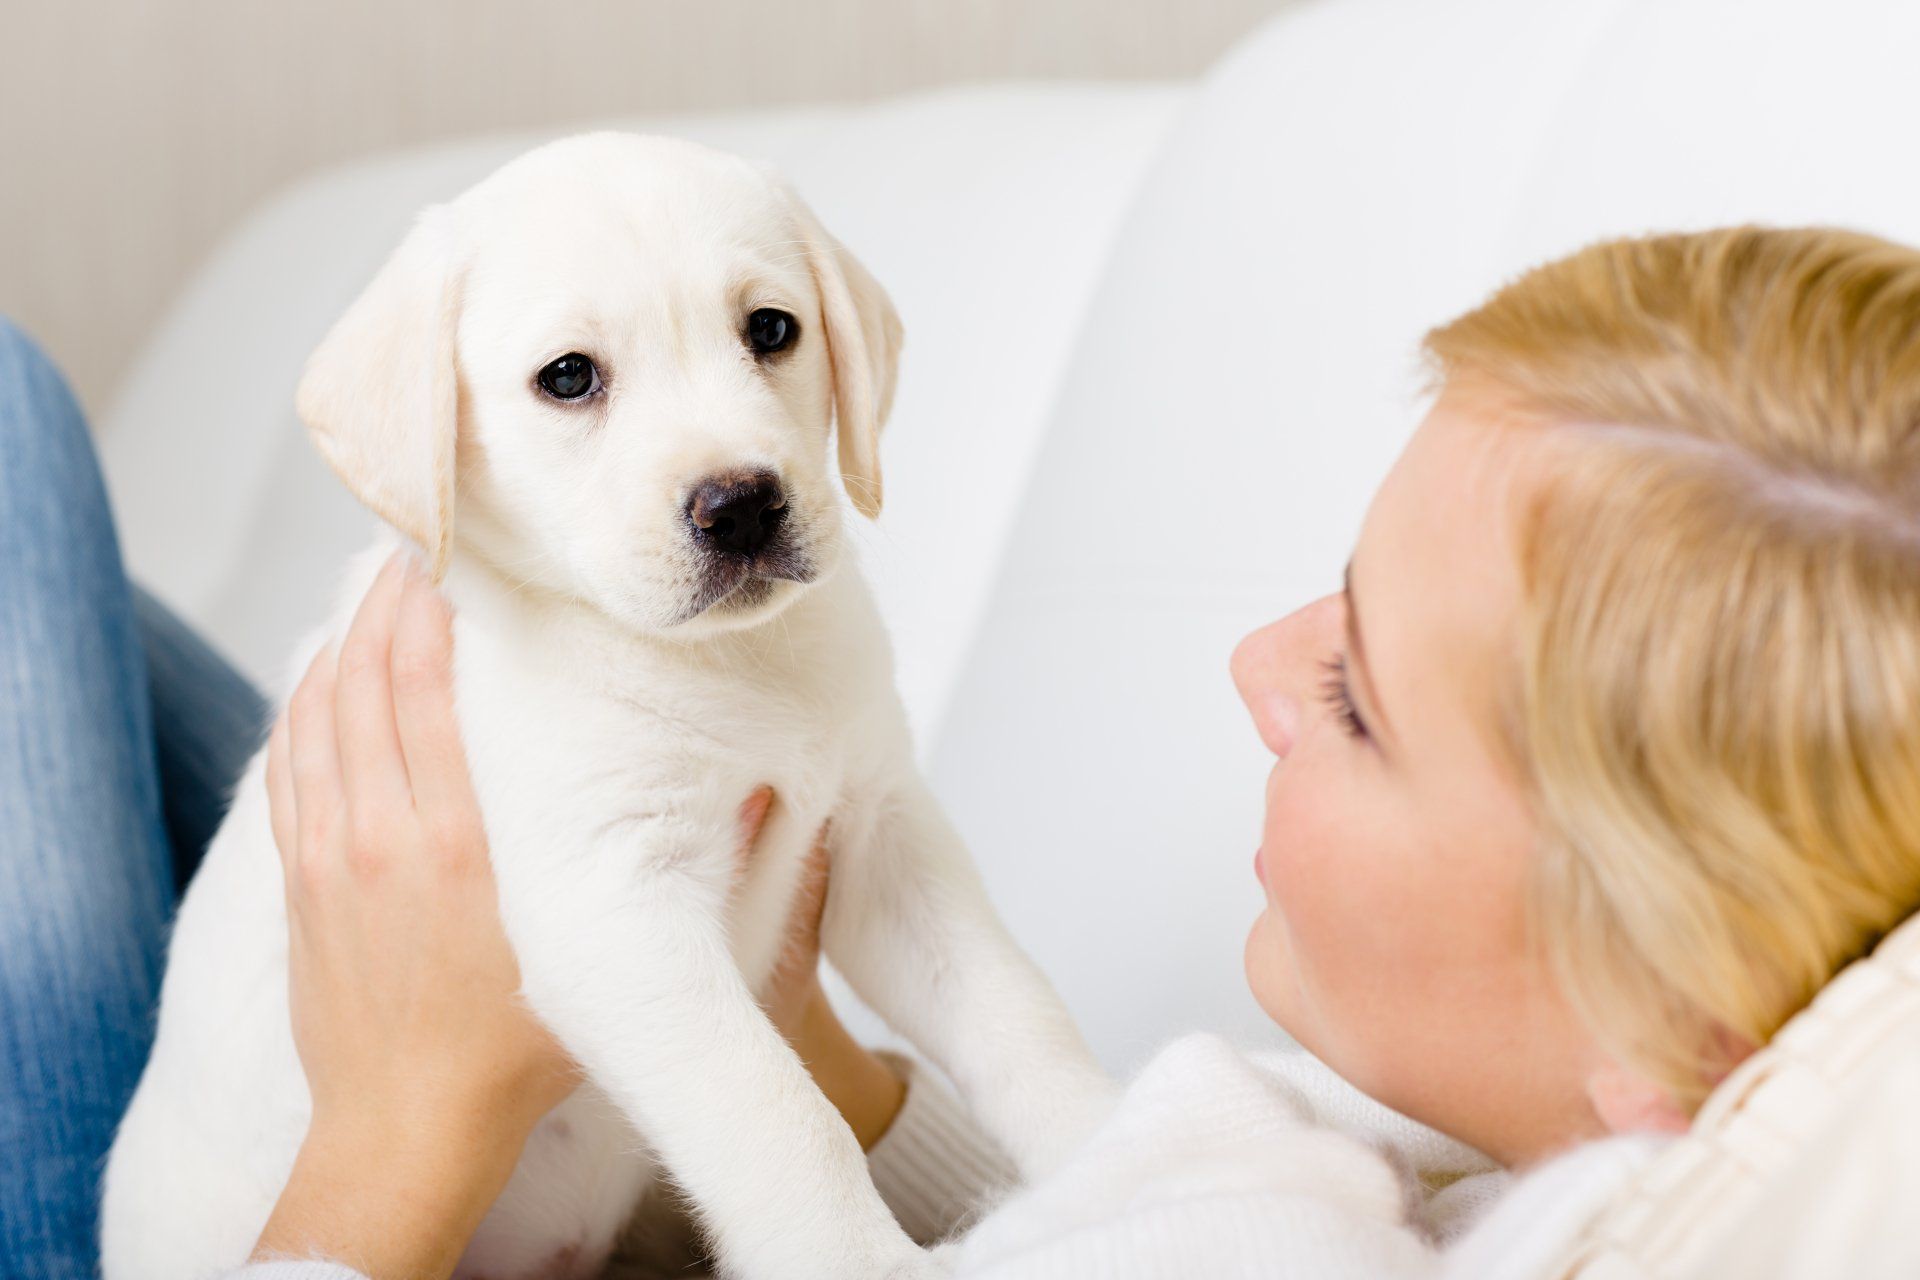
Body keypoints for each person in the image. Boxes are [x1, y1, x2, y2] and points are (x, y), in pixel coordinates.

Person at [4, 223, 1918, 1279]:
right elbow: (1079, 1184)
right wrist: (821, 1061)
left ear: (1673, 1034)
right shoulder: (1479, 1146)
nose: (1259, 664)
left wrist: (399, 1135)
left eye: (1355, 699)